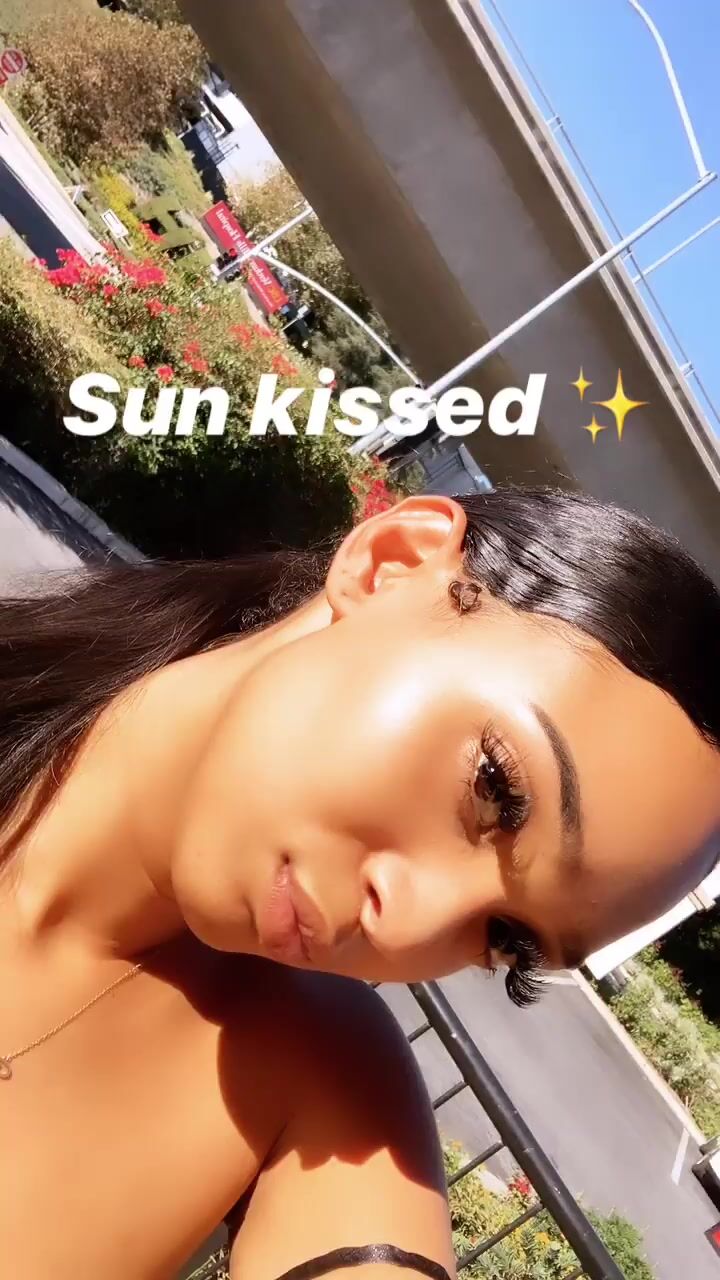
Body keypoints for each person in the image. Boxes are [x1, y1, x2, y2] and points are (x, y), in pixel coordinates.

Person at [1, 486, 718, 1279]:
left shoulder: (327, 1090)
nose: (408, 928)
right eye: (493, 787)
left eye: (506, 941)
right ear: (391, 564)